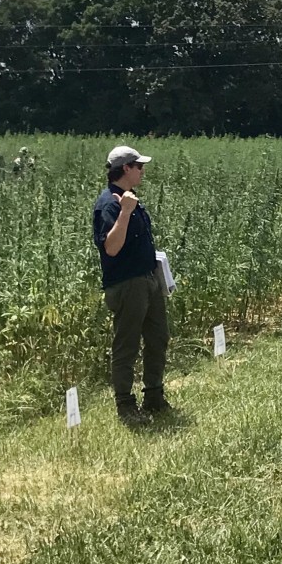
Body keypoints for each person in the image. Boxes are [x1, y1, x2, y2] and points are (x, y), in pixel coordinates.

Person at [92, 145, 170, 426]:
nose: (142, 171)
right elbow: (111, 248)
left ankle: (154, 396)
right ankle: (125, 404)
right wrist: (125, 212)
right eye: (139, 166)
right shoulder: (109, 204)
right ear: (125, 168)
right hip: (128, 285)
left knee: (158, 337)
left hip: (148, 279)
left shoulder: (130, 199)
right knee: (127, 344)